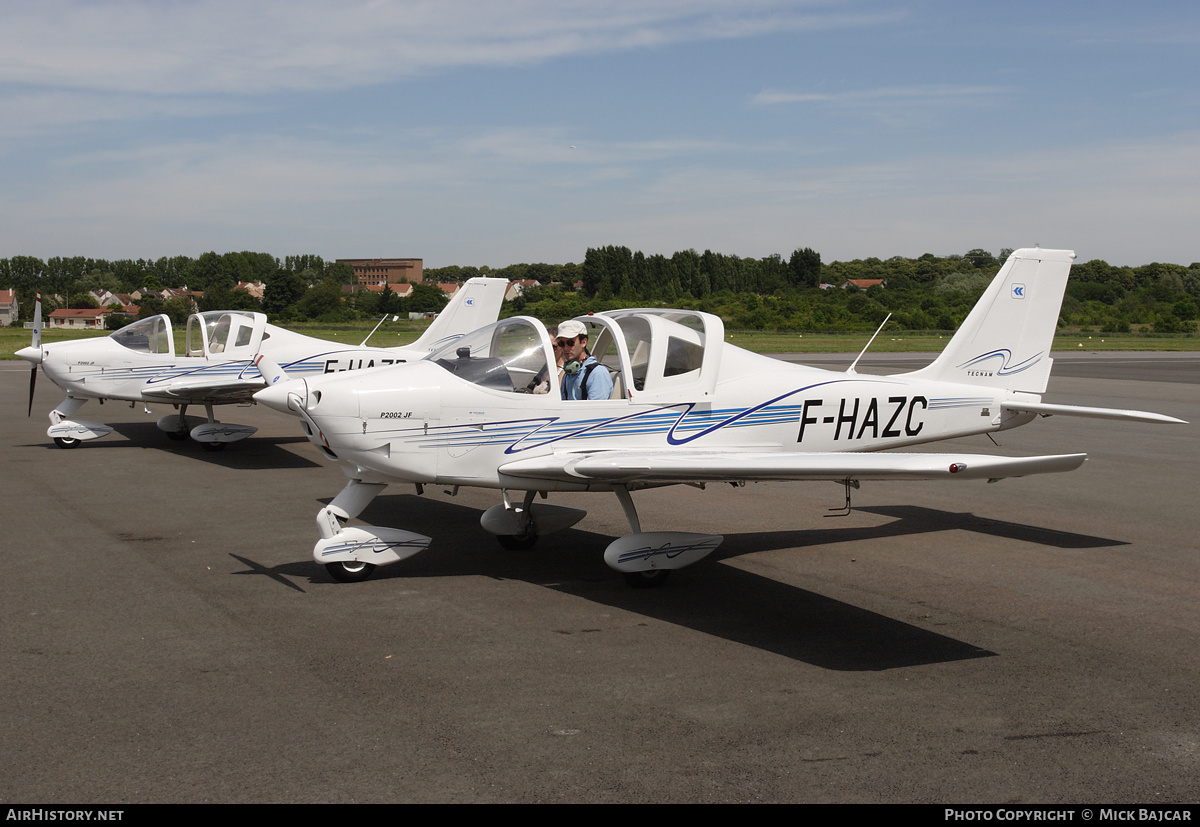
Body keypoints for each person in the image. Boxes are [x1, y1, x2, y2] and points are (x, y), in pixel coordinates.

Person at [557, 319, 613, 401]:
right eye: (561, 343)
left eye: (570, 343)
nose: (565, 348)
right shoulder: (568, 373)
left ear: (583, 342)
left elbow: (595, 410)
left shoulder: (597, 373)